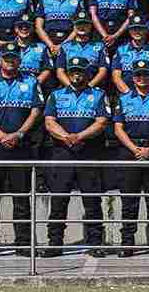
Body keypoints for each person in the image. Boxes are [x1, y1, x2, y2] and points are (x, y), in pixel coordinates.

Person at [0, 43, 43, 258]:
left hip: (20, 146)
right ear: (0, 60)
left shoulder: (31, 82)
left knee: (22, 199)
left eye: (13, 58)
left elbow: (35, 111)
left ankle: (23, 244)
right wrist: (1, 135)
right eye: (6, 58)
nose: (10, 61)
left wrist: (19, 134)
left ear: (19, 61)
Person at [42, 56, 110, 258]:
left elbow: (101, 122)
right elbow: (49, 122)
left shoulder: (98, 95)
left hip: (89, 152)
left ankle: (95, 243)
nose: (76, 74)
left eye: (80, 71)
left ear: (87, 73)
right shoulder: (56, 95)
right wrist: (66, 137)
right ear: (68, 73)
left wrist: (79, 136)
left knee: (92, 201)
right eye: (73, 71)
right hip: (62, 153)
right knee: (58, 201)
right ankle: (54, 243)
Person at [113, 60, 149, 257]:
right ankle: (127, 244)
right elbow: (118, 128)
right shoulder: (123, 99)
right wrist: (135, 149)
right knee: (129, 202)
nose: (141, 78)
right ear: (132, 78)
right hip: (129, 153)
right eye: (137, 75)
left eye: (145, 75)